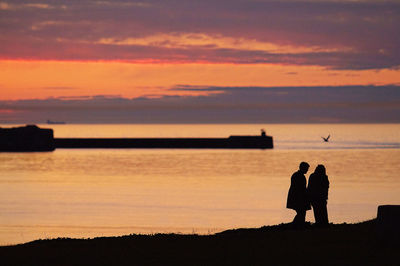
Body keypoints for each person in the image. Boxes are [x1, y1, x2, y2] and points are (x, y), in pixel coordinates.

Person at [286, 162, 311, 227]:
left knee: (301, 212)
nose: (307, 170)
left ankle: (297, 224)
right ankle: (297, 225)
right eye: (306, 169)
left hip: (295, 197)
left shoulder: (296, 175)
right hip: (298, 198)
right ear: (303, 168)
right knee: (301, 212)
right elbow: (301, 188)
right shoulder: (299, 176)